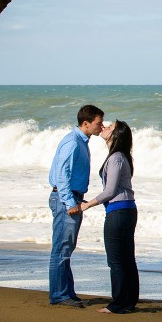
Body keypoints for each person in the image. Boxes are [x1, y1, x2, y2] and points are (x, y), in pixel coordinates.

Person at [47, 104, 105, 308]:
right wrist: (70, 201)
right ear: (86, 123)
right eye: (99, 123)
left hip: (71, 197)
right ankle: (59, 295)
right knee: (61, 249)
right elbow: (62, 174)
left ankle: (67, 293)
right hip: (66, 199)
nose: (102, 126)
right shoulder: (72, 142)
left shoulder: (81, 140)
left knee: (66, 248)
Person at [81, 120, 139, 314]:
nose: (104, 126)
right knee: (126, 258)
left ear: (116, 134)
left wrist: (88, 204)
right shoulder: (121, 156)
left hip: (119, 211)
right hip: (126, 210)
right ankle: (128, 302)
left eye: (110, 127)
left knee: (116, 260)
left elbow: (110, 191)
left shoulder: (116, 158)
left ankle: (118, 304)